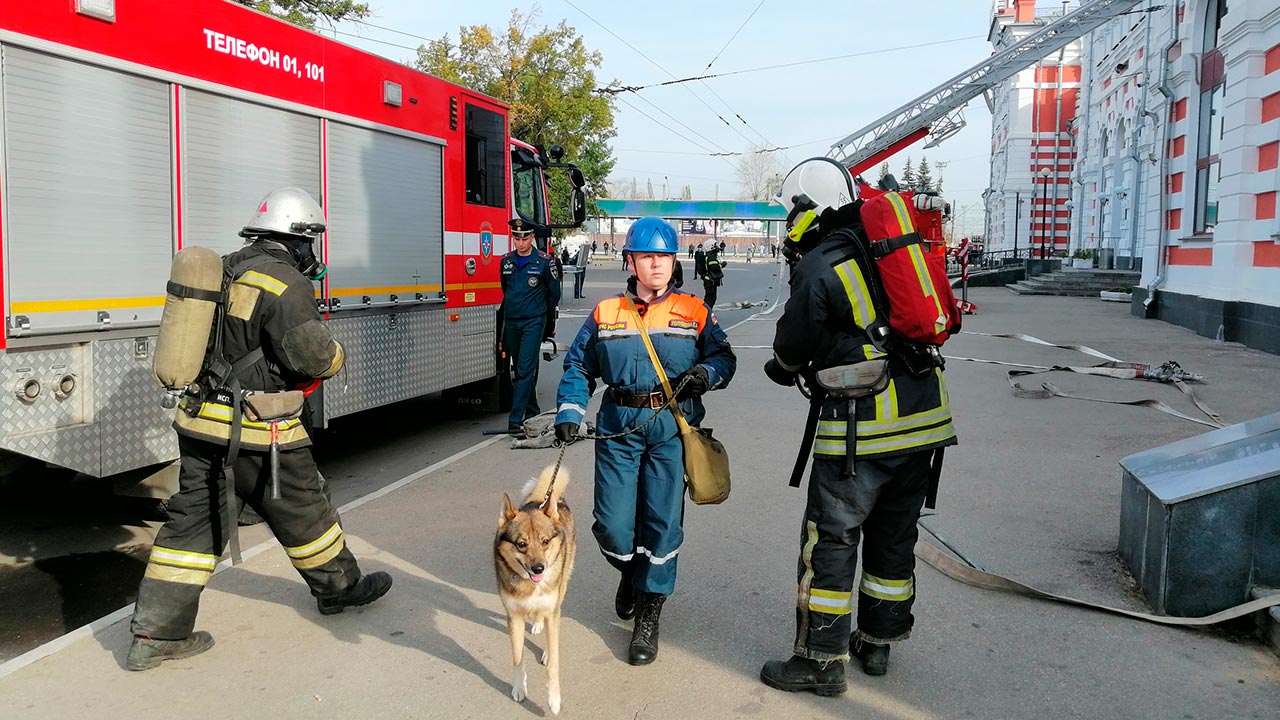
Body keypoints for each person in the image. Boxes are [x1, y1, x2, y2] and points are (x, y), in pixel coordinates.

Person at [128, 187, 393, 671]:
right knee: (307, 512)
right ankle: (340, 590)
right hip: (258, 428)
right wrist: (338, 356)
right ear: (295, 238)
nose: (313, 252)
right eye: (311, 239)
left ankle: (155, 635)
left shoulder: (225, 267)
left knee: (191, 524)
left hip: (200, 422)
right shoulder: (286, 283)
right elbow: (312, 356)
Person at [758, 158, 957, 695]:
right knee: (894, 538)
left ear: (805, 209)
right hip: (925, 421)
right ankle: (878, 643)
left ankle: (820, 661)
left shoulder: (820, 263)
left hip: (860, 431)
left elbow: (790, 349)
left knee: (832, 540)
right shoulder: (888, 246)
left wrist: (782, 369)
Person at [554, 217, 736, 666]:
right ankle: (635, 573)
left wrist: (706, 374)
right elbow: (578, 366)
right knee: (612, 525)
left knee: (661, 523)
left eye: (664, 256)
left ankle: (648, 617)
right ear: (630, 261)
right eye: (647, 256)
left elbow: (723, 357)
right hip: (619, 425)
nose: (656, 264)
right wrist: (570, 411)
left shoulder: (695, 312)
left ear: (675, 262)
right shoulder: (606, 313)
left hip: (671, 429)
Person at [500, 219, 562, 435]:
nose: (520, 242)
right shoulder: (506, 262)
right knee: (519, 368)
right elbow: (505, 291)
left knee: (525, 370)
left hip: (534, 321)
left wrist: (547, 322)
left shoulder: (545, 262)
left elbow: (553, 295)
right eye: (516, 238)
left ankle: (515, 419)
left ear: (532, 237)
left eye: (524, 238)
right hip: (513, 322)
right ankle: (533, 410)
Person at [702, 242, 724, 309]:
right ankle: (705, 314)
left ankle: (706, 313)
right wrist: (722, 265)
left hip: (710, 281)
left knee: (711, 298)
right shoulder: (711, 257)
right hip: (710, 281)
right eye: (715, 245)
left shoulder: (710, 256)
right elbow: (714, 267)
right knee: (710, 299)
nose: (717, 247)